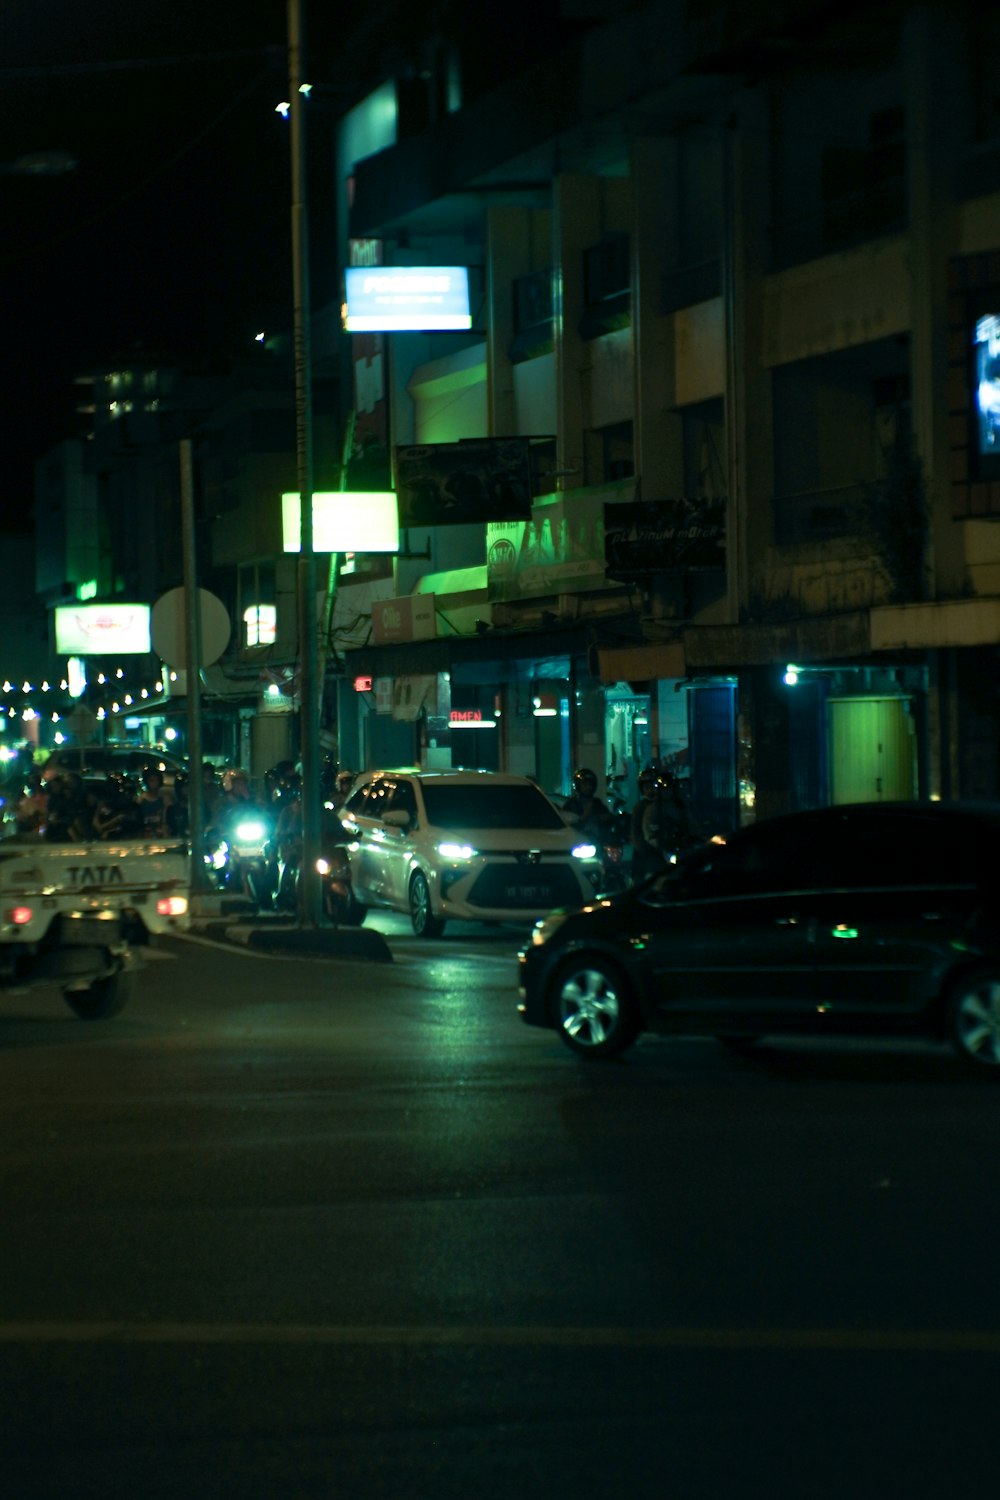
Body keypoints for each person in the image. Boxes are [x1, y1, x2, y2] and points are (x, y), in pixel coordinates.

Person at [632, 768, 699, 881]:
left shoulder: (681, 807)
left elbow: (692, 825)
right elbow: (647, 832)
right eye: (664, 789)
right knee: (655, 874)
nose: (667, 791)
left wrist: (695, 836)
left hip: (681, 848)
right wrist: (657, 842)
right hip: (657, 852)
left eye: (669, 788)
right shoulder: (651, 809)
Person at [562, 767, 614, 845]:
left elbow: (608, 818)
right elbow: (569, 827)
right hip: (579, 843)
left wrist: (602, 818)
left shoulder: (597, 802)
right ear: (578, 786)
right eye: (585, 785)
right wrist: (584, 816)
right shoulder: (571, 805)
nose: (588, 787)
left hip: (599, 842)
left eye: (590, 785)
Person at [135, 766, 168, 838]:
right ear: (146, 782)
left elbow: (166, 821)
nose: (155, 783)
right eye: (151, 780)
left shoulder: (164, 800)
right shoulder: (140, 800)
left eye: (157, 780)